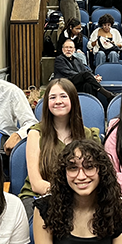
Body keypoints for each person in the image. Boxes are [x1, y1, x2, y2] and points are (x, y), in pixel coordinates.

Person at [20, 79, 101, 218]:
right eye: (52, 97)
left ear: (73, 100)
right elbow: (36, 184)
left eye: (63, 96)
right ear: (47, 104)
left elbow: (97, 176)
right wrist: (67, 194)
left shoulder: (88, 135)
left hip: (80, 197)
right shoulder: (36, 134)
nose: (58, 101)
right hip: (39, 196)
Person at [53, 39, 115, 107]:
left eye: (70, 47)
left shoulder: (77, 60)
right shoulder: (59, 59)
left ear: (74, 50)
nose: (68, 49)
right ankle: (108, 94)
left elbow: (86, 71)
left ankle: (92, 106)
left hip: (77, 84)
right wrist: (85, 77)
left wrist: (93, 77)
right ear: (62, 49)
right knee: (86, 76)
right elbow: (68, 73)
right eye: (66, 47)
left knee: (89, 85)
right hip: (65, 83)